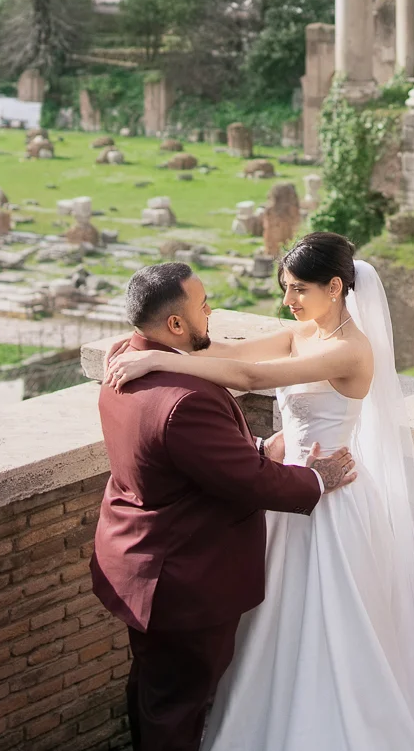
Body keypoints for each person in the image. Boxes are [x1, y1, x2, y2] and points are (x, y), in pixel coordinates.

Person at [104, 233, 414, 750]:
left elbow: (246, 376)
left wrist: (158, 363)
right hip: (286, 494)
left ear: (335, 287)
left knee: (330, 621)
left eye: (297, 290)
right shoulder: (302, 332)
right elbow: (225, 351)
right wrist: (153, 346)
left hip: (331, 499)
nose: (287, 302)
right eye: (285, 288)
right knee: (275, 625)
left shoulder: (349, 350)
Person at [91, 261, 357, 751]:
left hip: (135, 556)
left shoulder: (126, 356)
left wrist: (255, 447)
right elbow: (248, 483)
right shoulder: (183, 397)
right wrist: (316, 480)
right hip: (181, 575)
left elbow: (178, 458)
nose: (211, 310)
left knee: (154, 687)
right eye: (203, 304)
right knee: (178, 703)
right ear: (175, 325)